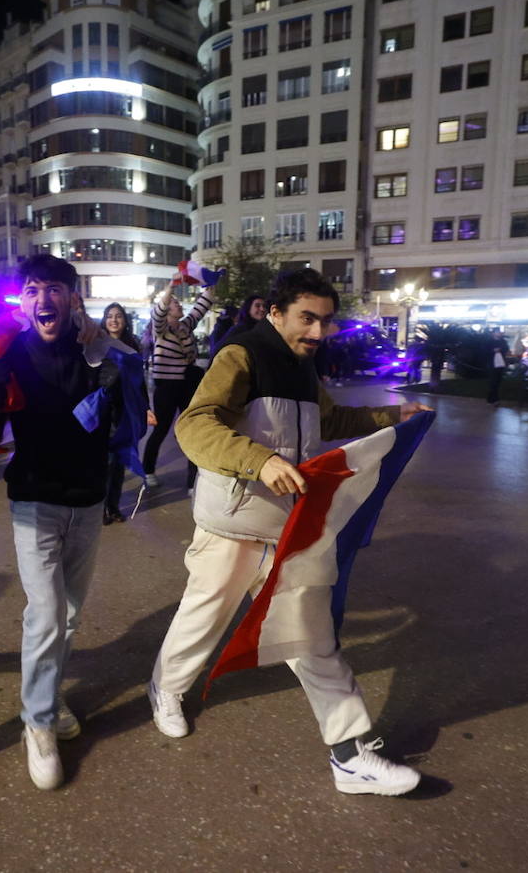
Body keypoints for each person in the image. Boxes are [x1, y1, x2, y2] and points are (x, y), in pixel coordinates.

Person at [147, 268, 433, 796]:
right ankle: (165, 688)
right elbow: (194, 424)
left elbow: (330, 424)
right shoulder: (241, 356)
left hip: (289, 532)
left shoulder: (305, 366)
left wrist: (393, 415)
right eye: (307, 319)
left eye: (325, 321)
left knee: (312, 640)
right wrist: (260, 461)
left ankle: (350, 755)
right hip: (230, 525)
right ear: (275, 313)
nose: (318, 333)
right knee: (202, 619)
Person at [0, 256, 137, 790]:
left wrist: (115, 369)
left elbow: (133, 402)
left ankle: (49, 694)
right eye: (34, 289)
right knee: (44, 614)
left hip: (88, 501)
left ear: (72, 297)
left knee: (67, 615)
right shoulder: (8, 355)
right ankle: (37, 723)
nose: (44, 299)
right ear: (23, 300)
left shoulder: (95, 351)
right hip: (35, 501)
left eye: (56, 289)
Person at [142, 279, 215, 489]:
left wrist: (210, 286)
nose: (180, 306)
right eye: (176, 304)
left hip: (187, 385)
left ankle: (192, 482)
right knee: (161, 429)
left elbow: (201, 307)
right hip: (166, 387)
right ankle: (148, 471)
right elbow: (158, 312)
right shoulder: (161, 329)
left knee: (191, 429)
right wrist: (170, 289)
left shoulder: (186, 326)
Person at [100, 302, 141, 524]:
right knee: (105, 462)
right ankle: (101, 508)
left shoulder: (132, 345)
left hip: (125, 412)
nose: (114, 320)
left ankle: (113, 506)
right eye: (109, 316)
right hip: (103, 410)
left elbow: (139, 382)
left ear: (125, 321)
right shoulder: (97, 343)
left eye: (118, 316)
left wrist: (145, 409)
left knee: (119, 463)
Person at [485, 328, 510, 406]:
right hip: (492, 364)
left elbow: (506, 349)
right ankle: (494, 399)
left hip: (501, 363)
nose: (499, 333)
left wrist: (501, 349)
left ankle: (491, 399)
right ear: (493, 333)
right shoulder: (489, 341)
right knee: (493, 382)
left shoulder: (502, 341)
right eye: (497, 332)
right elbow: (484, 351)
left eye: (499, 332)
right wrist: (493, 351)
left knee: (498, 382)